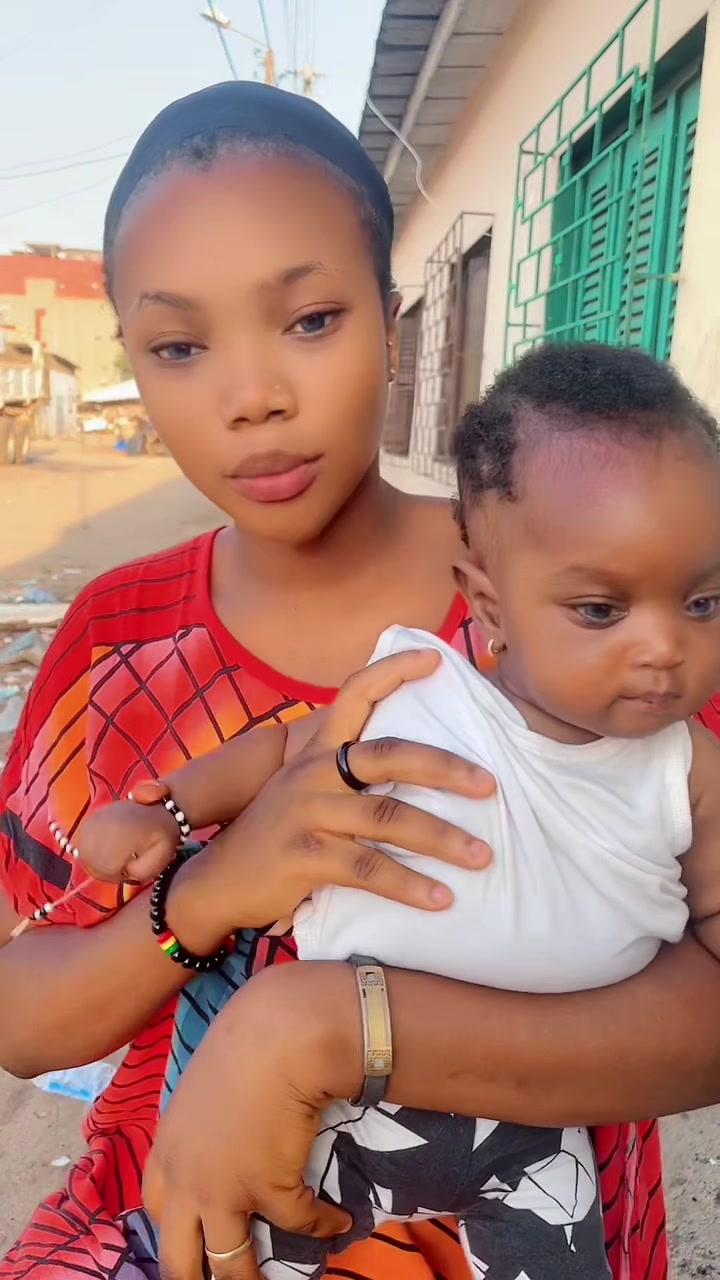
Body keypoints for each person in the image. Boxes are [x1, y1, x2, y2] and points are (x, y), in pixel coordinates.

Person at [0, 80, 719, 1280]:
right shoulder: (115, 643)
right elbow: (25, 1017)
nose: (252, 397)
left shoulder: (599, 597)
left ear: (391, 321)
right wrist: (210, 888)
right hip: (179, 1236)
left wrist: (333, 1026)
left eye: (311, 319)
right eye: (179, 346)